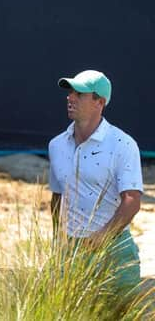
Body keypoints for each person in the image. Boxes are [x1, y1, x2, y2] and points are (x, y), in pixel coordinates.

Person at [49, 69, 142, 290]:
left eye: (79, 94)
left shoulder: (123, 144)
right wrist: (58, 240)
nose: (70, 98)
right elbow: (57, 197)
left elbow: (132, 200)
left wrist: (101, 238)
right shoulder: (56, 145)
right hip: (69, 251)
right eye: (70, 92)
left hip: (114, 252)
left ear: (99, 102)